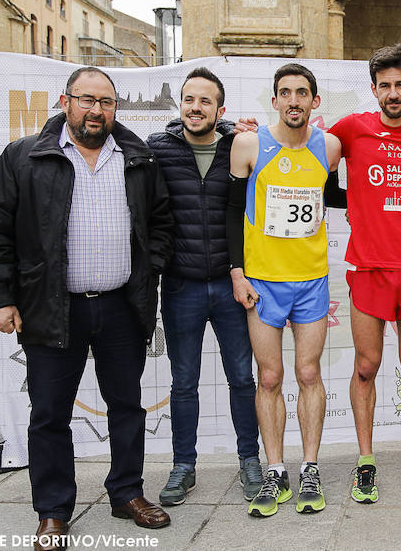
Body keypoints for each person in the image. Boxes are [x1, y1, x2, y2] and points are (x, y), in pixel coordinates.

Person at [0, 67, 174, 550]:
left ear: (115, 107)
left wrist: (150, 267)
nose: (96, 110)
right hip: (51, 307)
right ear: (66, 102)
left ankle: (126, 493)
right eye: (87, 100)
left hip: (123, 307)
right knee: (49, 414)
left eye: (105, 102)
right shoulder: (26, 156)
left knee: (126, 407)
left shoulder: (138, 158)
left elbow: (161, 220)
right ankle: (54, 510)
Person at [326, 44, 401, 502]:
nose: (393, 93)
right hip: (369, 266)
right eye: (385, 86)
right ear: (373, 90)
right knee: (366, 365)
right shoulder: (353, 128)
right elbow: (313, 165)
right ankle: (366, 460)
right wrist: (355, 203)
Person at [227, 63, 342, 518]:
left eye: (302, 93)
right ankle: (276, 468)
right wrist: (238, 272)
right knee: (270, 377)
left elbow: (334, 195)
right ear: (273, 100)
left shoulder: (330, 146)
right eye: (285, 93)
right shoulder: (249, 143)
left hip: (311, 280)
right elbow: (233, 211)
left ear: (315, 101)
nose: (293, 100)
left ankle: (309, 466)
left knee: (309, 374)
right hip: (262, 282)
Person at [147, 67, 262, 506]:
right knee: (183, 382)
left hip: (234, 285)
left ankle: (249, 460)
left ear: (220, 109)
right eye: (189, 100)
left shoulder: (239, 146)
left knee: (241, 379)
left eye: (205, 102)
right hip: (181, 286)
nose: (196, 108)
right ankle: (183, 466)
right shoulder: (158, 148)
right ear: (181, 105)